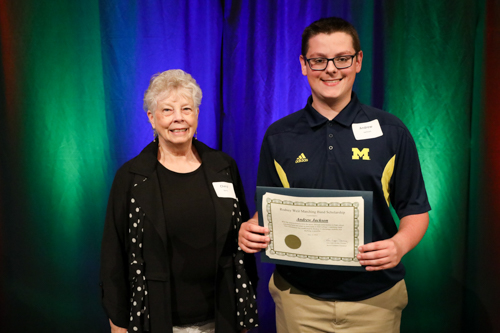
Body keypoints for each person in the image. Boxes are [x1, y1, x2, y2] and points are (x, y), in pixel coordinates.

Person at [238, 17, 431, 333]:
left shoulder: (391, 131)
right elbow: (270, 209)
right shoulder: (279, 135)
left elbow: (415, 209)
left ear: (358, 61)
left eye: (342, 58)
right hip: (298, 300)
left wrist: (399, 245)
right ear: (304, 64)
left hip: (375, 300)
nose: (331, 69)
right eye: (319, 60)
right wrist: (252, 228)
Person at [100, 69, 258, 333]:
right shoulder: (131, 177)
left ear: (196, 114)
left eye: (187, 108)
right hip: (157, 320)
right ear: (151, 118)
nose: (178, 118)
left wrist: (243, 314)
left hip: (221, 318)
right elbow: (113, 256)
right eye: (167, 110)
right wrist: (118, 324)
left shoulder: (224, 166)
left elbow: (241, 239)